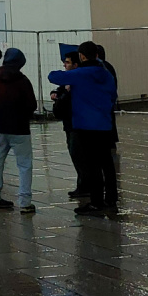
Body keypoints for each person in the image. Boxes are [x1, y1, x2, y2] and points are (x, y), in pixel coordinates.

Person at [48, 40, 118, 214]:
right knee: (107, 164)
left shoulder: (80, 74)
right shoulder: (106, 74)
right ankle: (111, 200)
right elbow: (112, 96)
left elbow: (53, 76)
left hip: (85, 125)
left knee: (92, 165)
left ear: (82, 56)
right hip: (104, 124)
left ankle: (96, 202)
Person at [0, 48, 38, 213]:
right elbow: (31, 105)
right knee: (24, 165)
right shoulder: (22, 80)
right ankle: (25, 202)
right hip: (19, 128)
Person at [51, 51, 86, 198]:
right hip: (69, 122)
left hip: (76, 123)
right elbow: (59, 89)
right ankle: (83, 184)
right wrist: (56, 93)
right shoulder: (67, 80)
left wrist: (64, 95)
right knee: (75, 153)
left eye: (67, 62)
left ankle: (84, 185)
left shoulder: (77, 81)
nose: (64, 65)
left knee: (78, 154)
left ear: (76, 64)